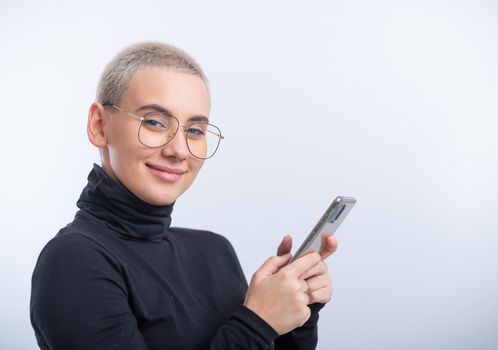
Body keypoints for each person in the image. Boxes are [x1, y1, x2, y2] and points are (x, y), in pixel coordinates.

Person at [30, 42, 338, 349]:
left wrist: (295, 313)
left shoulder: (214, 250)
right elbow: (250, 335)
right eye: (154, 122)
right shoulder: (73, 261)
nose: (178, 151)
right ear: (99, 126)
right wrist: (258, 322)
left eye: (194, 131)